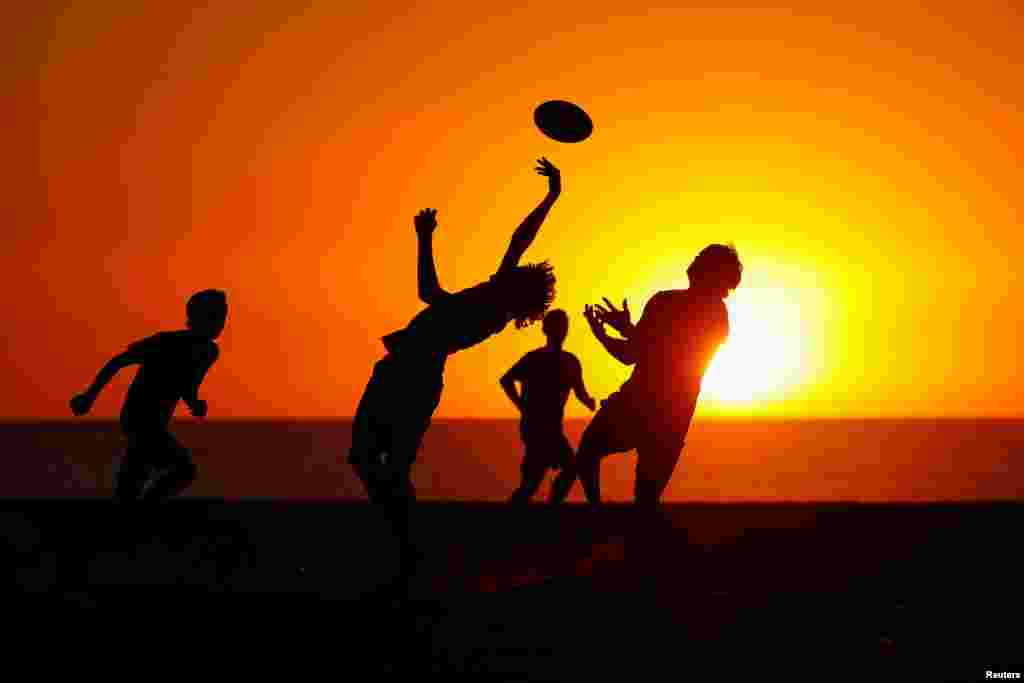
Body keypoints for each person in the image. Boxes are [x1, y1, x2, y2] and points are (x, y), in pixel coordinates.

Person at [348, 158, 562, 583]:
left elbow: (429, 292)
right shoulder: (495, 299)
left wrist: (425, 238)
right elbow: (520, 238)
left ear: (519, 291)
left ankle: (405, 545)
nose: (514, 264)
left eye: (519, 272)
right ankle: (403, 542)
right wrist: (551, 196)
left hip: (409, 375)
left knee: (377, 464)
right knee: (381, 465)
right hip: (409, 372)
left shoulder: (487, 310)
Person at [550, 244, 742, 507]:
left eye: (700, 258)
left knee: (590, 453)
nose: (693, 261)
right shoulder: (711, 314)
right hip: (671, 418)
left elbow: (639, 353)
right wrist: (626, 330)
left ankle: (595, 513)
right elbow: (648, 350)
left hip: (641, 405)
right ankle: (599, 516)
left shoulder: (671, 303)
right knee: (639, 499)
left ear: (712, 272)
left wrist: (611, 333)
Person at [70, 289, 227, 501]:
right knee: (182, 470)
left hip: (156, 422)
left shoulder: (209, 352)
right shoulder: (166, 342)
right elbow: (118, 362)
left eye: (222, 317)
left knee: (132, 482)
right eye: (214, 316)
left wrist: (194, 402)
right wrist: (89, 395)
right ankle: (146, 513)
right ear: (196, 317)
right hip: (139, 418)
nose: (220, 323)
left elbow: (186, 383)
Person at [500, 309, 595, 505]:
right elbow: (506, 380)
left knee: (558, 472)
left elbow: (579, 390)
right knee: (536, 479)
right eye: (557, 326)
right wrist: (521, 406)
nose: (561, 330)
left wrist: (589, 402)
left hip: (553, 429)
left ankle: (550, 506)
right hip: (535, 428)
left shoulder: (571, 362)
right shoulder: (534, 359)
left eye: (563, 327)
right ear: (546, 329)